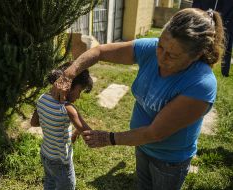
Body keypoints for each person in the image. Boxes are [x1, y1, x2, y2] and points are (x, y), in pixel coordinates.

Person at [51, 8, 225, 190]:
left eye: (172, 55)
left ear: (196, 55)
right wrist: (69, 73)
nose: (160, 57)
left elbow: (154, 133)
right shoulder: (150, 49)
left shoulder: (200, 84)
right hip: (141, 146)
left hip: (169, 160)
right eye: (160, 46)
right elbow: (100, 52)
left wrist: (108, 138)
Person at [30, 63, 93, 190]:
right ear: (68, 86)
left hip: (46, 154)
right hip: (61, 161)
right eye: (79, 91)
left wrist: (52, 122)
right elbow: (88, 133)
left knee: (50, 182)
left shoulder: (42, 98)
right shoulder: (68, 109)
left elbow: (34, 123)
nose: (79, 96)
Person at [192, 0, 233, 77]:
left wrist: (227, 21)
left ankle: (224, 71)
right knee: (200, 41)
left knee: (226, 45)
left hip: (227, 21)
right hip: (204, 17)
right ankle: (197, 62)